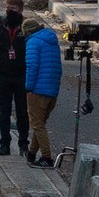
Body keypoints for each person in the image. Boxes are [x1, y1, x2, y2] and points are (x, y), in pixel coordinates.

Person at [0, 0, 29, 157]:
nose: (9, 11)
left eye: (13, 8)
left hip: (21, 76)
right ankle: (4, 143)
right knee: (4, 113)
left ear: (20, 10)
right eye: (8, 8)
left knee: (22, 112)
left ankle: (23, 144)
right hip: (3, 76)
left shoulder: (25, 28)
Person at [23, 16, 63, 167]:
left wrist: (28, 86)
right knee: (40, 123)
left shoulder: (33, 42)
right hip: (52, 89)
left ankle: (47, 157)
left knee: (38, 124)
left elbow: (32, 66)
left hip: (38, 89)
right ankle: (32, 153)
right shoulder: (52, 41)